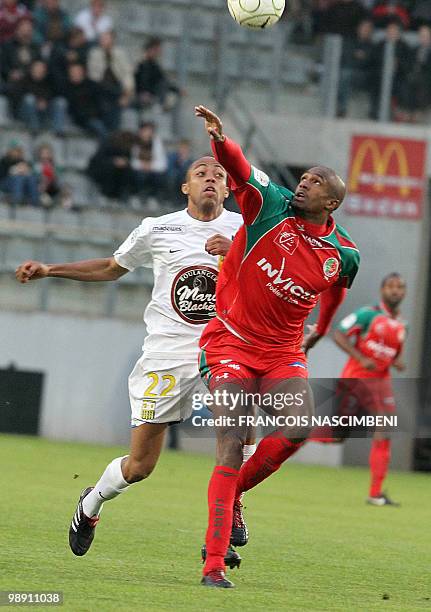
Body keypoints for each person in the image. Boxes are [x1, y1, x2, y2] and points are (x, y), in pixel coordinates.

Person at [15, 155, 254, 567]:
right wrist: (50, 269)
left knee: (238, 429)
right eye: (201, 174)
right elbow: (111, 267)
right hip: (166, 353)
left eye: (218, 175)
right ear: (185, 187)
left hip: (221, 347)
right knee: (141, 465)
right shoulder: (157, 228)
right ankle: (92, 501)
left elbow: (267, 277)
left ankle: (228, 515)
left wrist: (237, 254)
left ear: (229, 189)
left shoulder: (244, 229)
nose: (210, 179)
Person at [194, 105, 360, 588]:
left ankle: (235, 497)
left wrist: (323, 330)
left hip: (284, 351)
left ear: (331, 203)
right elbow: (242, 168)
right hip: (229, 342)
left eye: (314, 183)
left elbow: (338, 289)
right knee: (229, 445)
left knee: (298, 429)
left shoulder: (342, 254)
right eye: (303, 178)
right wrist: (220, 141)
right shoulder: (270, 204)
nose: (302, 184)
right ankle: (213, 564)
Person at [309, 273, 407, 506]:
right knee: (337, 436)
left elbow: (395, 353)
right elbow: (339, 334)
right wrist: (361, 358)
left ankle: (375, 493)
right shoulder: (367, 314)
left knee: (383, 430)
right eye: (391, 286)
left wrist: (398, 362)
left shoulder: (402, 324)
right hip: (357, 379)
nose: (396, 291)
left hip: (381, 383)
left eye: (400, 287)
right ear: (382, 289)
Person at [87, 30, 134, 132]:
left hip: (116, 87)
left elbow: (126, 73)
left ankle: (113, 133)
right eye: (103, 39)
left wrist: (127, 92)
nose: (104, 41)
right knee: (107, 102)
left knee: (118, 104)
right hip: (100, 88)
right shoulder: (94, 53)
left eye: (107, 39)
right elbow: (94, 75)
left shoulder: (120, 54)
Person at [337, 19, 376, 118]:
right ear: (358, 29)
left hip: (364, 76)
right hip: (347, 71)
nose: (365, 30)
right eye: (363, 28)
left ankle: (341, 108)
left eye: (368, 29)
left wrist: (357, 57)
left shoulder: (373, 46)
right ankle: (339, 105)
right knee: (342, 74)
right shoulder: (349, 41)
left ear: (371, 31)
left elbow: (368, 62)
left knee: (345, 74)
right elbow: (345, 57)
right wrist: (357, 56)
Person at [134, 38, 181, 112]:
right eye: (156, 50)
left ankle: (164, 104)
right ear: (150, 49)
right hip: (140, 97)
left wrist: (178, 90)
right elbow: (139, 80)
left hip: (152, 98)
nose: (158, 53)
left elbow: (163, 79)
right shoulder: (141, 63)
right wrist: (144, 92)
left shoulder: (154, 65)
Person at [0, 139, 40, 206]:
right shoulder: (4, 161)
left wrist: (25, 172)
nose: (16, 152)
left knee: (31, 179)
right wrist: (14, 171)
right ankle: (17, 202)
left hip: (21, 182)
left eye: (18, 150)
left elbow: (30, 173)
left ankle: (34, 202)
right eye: (14, 150)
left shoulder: (23, 161)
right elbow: (2, 175)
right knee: (18, 178)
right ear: (10, 151)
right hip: (4, 183)